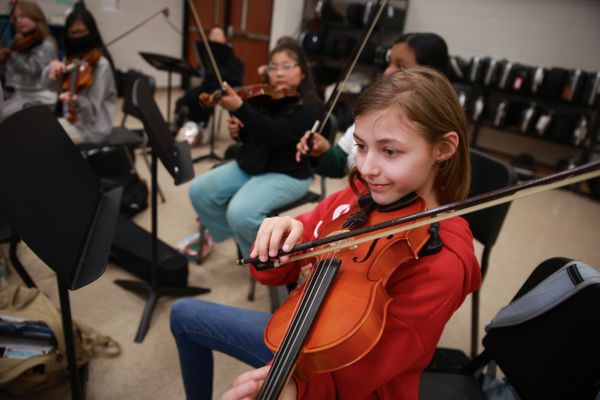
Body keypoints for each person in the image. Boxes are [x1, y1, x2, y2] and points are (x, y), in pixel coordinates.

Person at [171, 67, 481, 399]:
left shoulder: (442, 262)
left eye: (390, 151)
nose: (366, 168)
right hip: (301, 333)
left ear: (444, 149)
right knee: (184, 314)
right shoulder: (361, 194)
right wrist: (277, 239)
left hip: (351, 384)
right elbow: (274, 275)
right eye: (361, 146)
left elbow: (359, 377)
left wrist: (294, 389)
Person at [188, 42, 322, 260]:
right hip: (252, 164)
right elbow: (255, 134)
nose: (278, 73)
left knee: (240, 213)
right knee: (199, 191)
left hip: (287, 173)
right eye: (273, 67)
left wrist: (241, 109)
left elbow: (277, 134)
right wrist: (239, 132)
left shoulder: (310, 108)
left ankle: (264, 262)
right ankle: (244, 244)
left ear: (303, 72)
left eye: (287, 66)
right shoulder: (263, 98)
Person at [296, 32, 450, 178]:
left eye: (401, 66)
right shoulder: (373, 111)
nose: (388, 71)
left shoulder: (428, 127)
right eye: (390, 63)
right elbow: (342, 162)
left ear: (429, 74)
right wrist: (323, 152)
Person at [41, 4, 116, 144]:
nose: (78, 37)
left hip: (94, 128)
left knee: (48, 143)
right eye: (73, 33)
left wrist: (75, 100)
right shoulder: (72, 59)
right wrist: (51, 69)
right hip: (73, 121)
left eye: (82, 32)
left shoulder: (101, 64)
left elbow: (92, 110)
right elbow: (50, 86)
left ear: (92, 32)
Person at [174, 25, 244, 134]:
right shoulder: (207, 56)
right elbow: (200, 72)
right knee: (188, 97)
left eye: (218, 35)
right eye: (212, 35)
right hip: (207, 85)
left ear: (225, 39)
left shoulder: (233, 59)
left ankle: (202, 125)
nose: (215, 38)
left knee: (205, 99)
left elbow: (236, 79)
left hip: (222, 88)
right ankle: (186, 124)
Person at [0, 1, 58, 120]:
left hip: (39, 98)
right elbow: (8, 73)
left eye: (23, 16)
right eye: (16, 18)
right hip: (18, 94)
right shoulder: (18, 42)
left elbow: (32, 71)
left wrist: (11, 56)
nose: (18, 21)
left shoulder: (46, 45)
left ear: (36, 17)